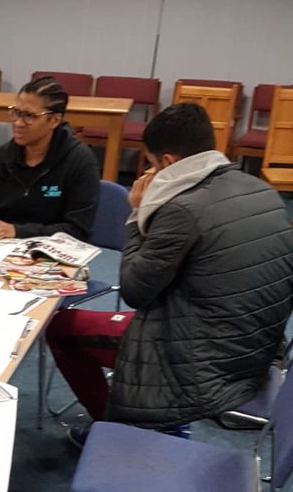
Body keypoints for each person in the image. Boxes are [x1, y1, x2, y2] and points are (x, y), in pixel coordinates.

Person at [45, 102, 293, 441]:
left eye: (150, 165)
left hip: (195, 361)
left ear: (168, 162)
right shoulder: (262, 191)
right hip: (256, 350)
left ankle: (113, 431)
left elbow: (134, 291)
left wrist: (137, 214)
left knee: (60, 328)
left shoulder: (181, 209)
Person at [0, 75, 100, 242]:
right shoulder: (4, 156)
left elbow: (77, 230)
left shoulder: (79, 161)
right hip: (3, 248)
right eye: (16, 113)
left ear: (54, 120)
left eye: (29, 116)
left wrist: (17, 231)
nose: (18, 123)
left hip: (51, 250)